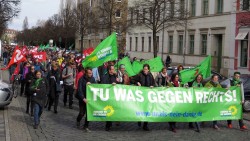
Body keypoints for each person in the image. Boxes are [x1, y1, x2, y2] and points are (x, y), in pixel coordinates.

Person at [131, 64, 155, 131]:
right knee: (140, 109)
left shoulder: (150, 75)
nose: (145, 70)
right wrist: (137, 82)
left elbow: (153, 83)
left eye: (146, 69)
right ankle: (139, 120)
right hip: (141, 95)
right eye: (144, 69)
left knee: (147, 110)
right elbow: (132, 80)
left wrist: (152, 86)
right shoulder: (139, 75)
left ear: (148, 69)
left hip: (147, 95)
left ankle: (145, 125)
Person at [76, 68, 96, 132]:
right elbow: (79, 90)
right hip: (83, 99)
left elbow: (96, 87)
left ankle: (86, 126)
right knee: (82, 113)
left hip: (90, 99)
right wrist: (83, 98)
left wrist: (92, 84)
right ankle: (78, 120)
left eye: (91, 73)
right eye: (89, 73)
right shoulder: (81, 79)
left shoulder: (93, 79)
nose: (91, 74)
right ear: (86, 73)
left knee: (89, 114)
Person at [101, 65, 118, 131]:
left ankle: (110, 123)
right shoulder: (105, 76)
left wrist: (117, 81)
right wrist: (111, 84)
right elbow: (104, 84)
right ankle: (108, 125)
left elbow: (118, 84)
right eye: (112, 69)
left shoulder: (114, 76)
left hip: (113, 96)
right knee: (109, 110)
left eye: (114, 69)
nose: (113, 70)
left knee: (113, 109)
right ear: (109, 70)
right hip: (108, 96)